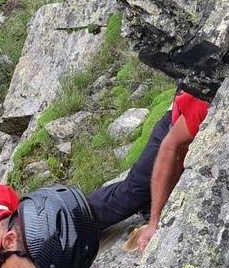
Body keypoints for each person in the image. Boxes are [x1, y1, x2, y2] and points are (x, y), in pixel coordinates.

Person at [87, 81, 212, 253]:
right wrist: (154, 223)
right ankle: (67, 221)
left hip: (189, 134)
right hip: (174, 127)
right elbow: (170, 147)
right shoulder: (204, 105)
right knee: (133, 193)